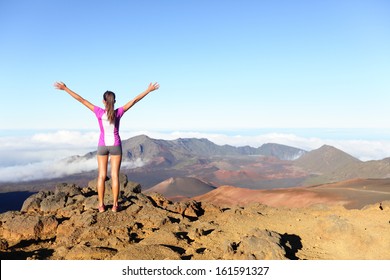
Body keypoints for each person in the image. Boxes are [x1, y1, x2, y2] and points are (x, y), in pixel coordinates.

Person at [54, 81, 160, 212]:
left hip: (102, 145)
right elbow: (134, 101)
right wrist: (148, 90)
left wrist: (65, 88)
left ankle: (101, 206)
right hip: (115, 145)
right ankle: (115, 205)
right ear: (114, 101)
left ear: (103, 101)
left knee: (101, 176)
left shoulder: (98, 112)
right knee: (115, 176)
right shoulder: (119, 112)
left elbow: (81, 100)